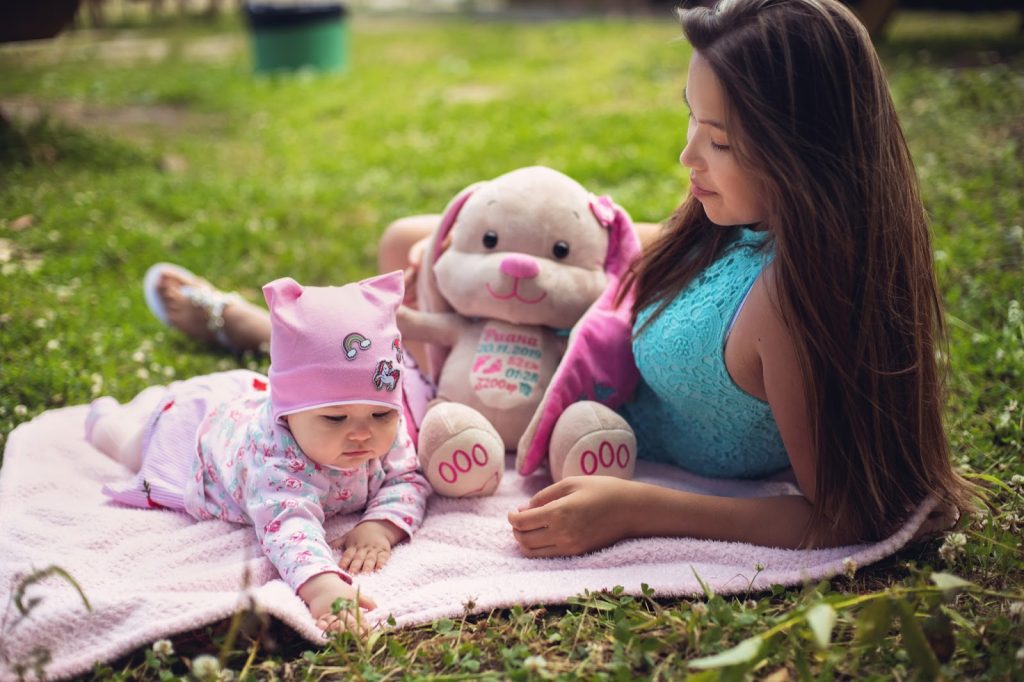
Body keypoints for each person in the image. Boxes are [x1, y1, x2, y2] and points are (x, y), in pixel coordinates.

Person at [145, 0, 971, 555]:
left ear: (807, 154)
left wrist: (635, 508)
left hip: (589, 383)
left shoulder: (792, 309)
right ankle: (271, 328)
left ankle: (251, 328)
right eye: (692, 119)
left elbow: (845, 513)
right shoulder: (744, 230)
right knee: (410, 240)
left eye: (718, 141)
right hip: (603, 333)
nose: (687, 158)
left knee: (415, 273)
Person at [88, 271, 430, 633]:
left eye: (381, 414)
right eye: (334, 418)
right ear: (287, 415)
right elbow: (288, 524)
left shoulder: (381, 430)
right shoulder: (274, 459)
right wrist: (322, 585)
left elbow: (408, 476)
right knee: (132, 449)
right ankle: (105, 422)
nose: (362, 434)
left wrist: (380, 526)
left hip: (243, 400)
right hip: (195, 434)